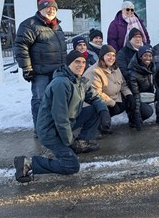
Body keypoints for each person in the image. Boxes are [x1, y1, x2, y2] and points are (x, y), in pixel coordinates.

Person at [13, 50, 109, 183]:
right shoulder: (61, 83)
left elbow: (94, 97)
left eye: (83, 62)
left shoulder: (80, 81)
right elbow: (60, 117)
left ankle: (81, 143)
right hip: (50, 131)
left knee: (95, 109)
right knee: (71, 165)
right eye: (77, 62)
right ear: (69, 64)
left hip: (67, 124)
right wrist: (69, 142)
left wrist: (104, 112)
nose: (80, 65)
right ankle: (28, 163)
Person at [14, 0, 67, 129]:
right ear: (40, 9)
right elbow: (21, 47)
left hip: (58, 72)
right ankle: (41, 129)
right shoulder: (29, 24)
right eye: (48, 8)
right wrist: (26, 68)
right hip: (40, 73)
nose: (51, 11)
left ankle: (54, 127)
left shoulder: (56, 26)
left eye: (54, 9)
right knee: (40, 100)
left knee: (57, 101)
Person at [83, 45, 135, 133]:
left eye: (113, 55)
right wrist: (112, 103)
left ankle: (132, 120)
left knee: (130, 103)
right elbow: (96, 93)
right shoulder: (94, 71)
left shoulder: (115, 68)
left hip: (113, 97)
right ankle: (96, 126)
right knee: (101, 108)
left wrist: (129, 95)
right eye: (108, 55)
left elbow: (123, 84)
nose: (111, 58)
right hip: (93, 102)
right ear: (102, 56)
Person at [128, 44, 159, 129]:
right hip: (136, 98)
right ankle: (133, 120)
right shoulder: (133, 73)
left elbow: (154, 81)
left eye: (150, 56)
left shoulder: (151, 67)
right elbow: (135, 95)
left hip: (148, 94)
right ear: (140, 57)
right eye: (145, 55)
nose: (148, 58)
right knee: (148, 111)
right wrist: (137, 117)